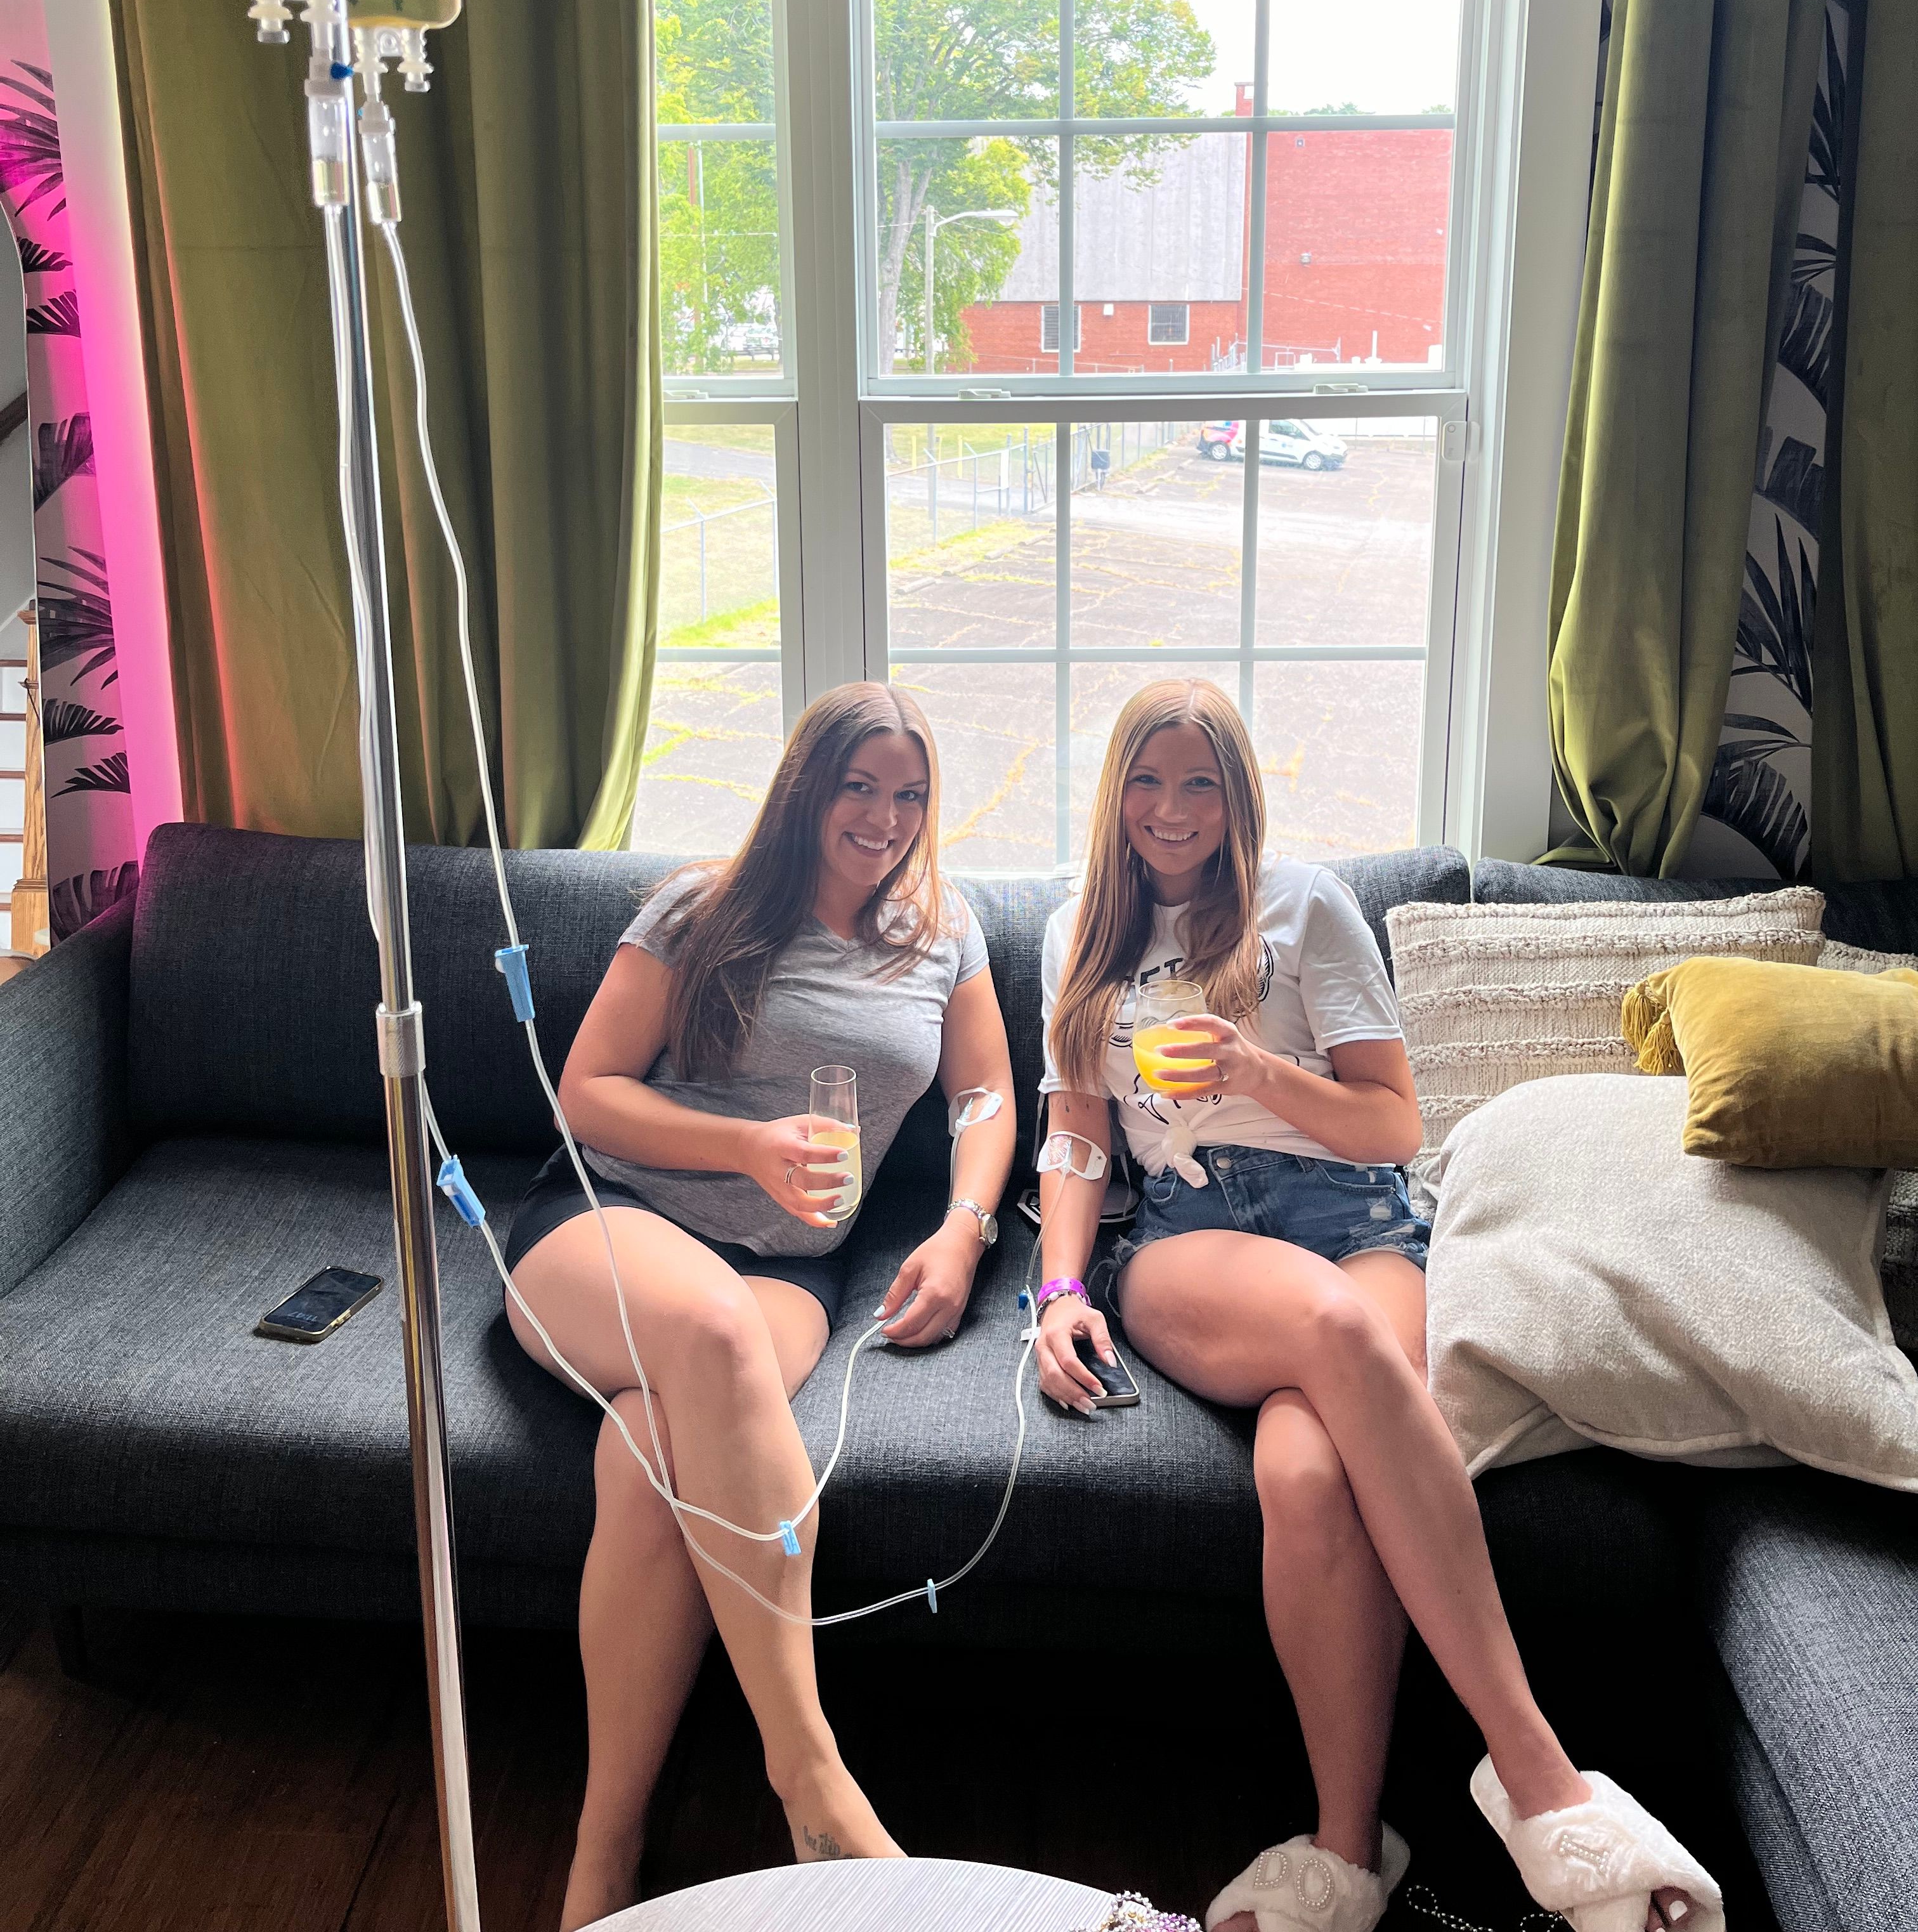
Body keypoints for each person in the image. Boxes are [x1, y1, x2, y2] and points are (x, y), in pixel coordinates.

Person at [1032, 679, 1719, 1932]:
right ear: (1115, 794)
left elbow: (1394, 1125)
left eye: (1198, 782)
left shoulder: (1305, 906)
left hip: (1354, 1223)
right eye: (1146, 780)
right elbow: (1077, 1134)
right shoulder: (1080, 929)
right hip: (1192, 1233)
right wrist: (1059, 1292)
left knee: (1306, 1474)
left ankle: (1345, 1856)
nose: (1170, 809)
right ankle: (1545, 1784)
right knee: (1341, 1340)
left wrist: (1260, 1072)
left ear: (1237, 794)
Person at [505, 682, 1015, 1930]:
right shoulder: (703, 906)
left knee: (651, 1459)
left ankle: (604, 1863)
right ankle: (815, 1779)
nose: (884, 817)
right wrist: (743, 1150)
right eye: (860, 786)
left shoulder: (945, 931)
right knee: (712, 1335)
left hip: (790, 1270)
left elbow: (988, 1098)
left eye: (909, 794)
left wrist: (962, 1229)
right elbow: (587, 1093)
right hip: (610, 1223)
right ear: (807, 788)